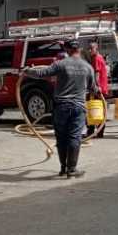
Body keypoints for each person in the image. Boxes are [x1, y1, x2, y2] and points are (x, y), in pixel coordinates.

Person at [24, 40, 97, 178]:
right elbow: (93, 88)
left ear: (67, 49)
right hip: (78, 107)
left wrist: (27, 71)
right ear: (79, 49)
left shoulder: (60, 64)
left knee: (61, 138)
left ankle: (64, 168)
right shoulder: (88, 67)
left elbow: (41, 74)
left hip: (61, 107)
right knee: (74, 137)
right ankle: (72, 169)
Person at [86, 40, 108, 139]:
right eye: (89, 48)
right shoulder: (96, 57)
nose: (90, 50)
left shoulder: (97, 58)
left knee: (94, 109)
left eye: (92, 48)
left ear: (96, 49)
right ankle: (96, 132)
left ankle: (94, 131)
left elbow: (97, 74)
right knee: (96, 109)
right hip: (99, 89)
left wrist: (96, 87)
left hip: (99, 89)